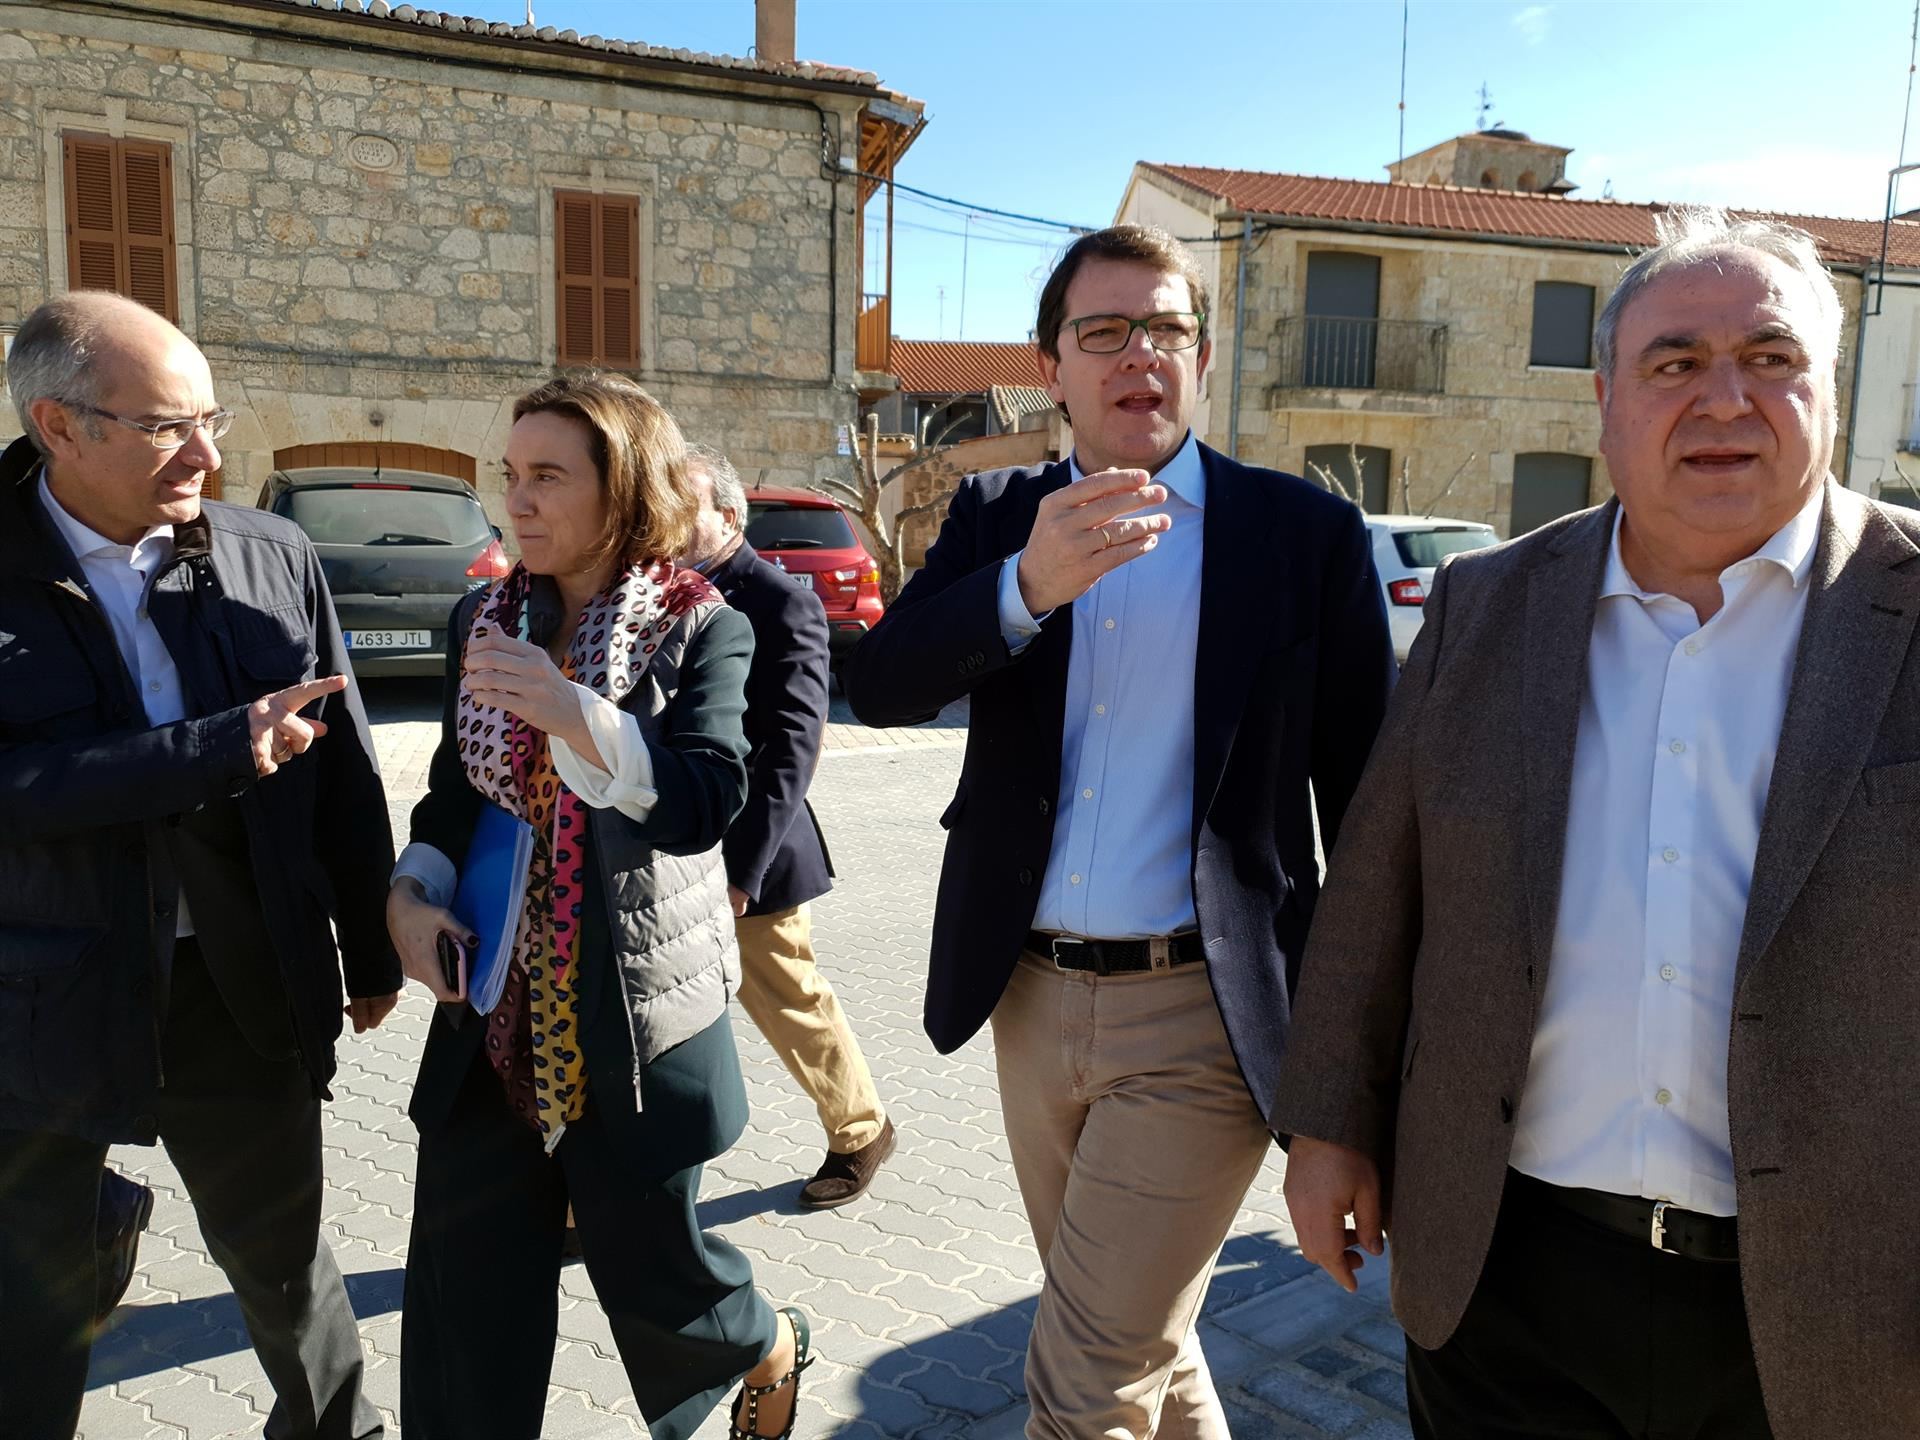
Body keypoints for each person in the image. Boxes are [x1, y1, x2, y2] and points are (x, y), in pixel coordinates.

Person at [1276, 206, 1920, 1440]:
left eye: (1772, 360)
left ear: (1827, 389)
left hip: (1833, 1304)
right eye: (1676, 362)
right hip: (1509, 1269)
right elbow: (1376, 886)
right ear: (1606, 395)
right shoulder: (1485, 605)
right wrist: (1330, 1124)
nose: (1725, 399)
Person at [842, 225, 1397, 1438]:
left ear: (1201, 357)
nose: (1137, 354)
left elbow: (1370, 821)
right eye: (1104, 332)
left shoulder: (1301, 538)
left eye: (1166, 329)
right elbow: (880, 687)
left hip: (1206, 1018)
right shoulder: (997, 514)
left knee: (1083, 1382)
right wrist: (1022, 590)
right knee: (1144, 1341)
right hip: (1028, 1003)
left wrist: (1360, 1083)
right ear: (1053, 366)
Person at [0, 291, 398, 1440]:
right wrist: (210, 751)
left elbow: (346, 773)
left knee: (283, 1265)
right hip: (46, 994)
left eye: (210, 417)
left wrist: (367, 944)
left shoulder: (270, 553)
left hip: (238, 986)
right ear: (59, 427)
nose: (209, 453)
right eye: (169, 426)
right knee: (35, 1297)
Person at [386, 373, 812, 1440]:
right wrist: (411, 891)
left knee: (662, 1280)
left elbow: (709, 797)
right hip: (490, 1013)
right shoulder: (480, 618)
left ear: (621, 491)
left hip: (627, 1020)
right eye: (510, 475)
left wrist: (576, 716)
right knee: (462, 1306)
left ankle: (764, 1343)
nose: (517, 502)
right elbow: (452, 792)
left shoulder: (700, 626)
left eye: (548, 477)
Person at [679, 443, 896, 1209]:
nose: (668, 521)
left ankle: (861, 1126)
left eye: (686, 507)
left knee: (787, 998)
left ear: (729, 515)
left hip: (750, 851)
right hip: (669, 838)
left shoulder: (779, 601)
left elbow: (794, 747)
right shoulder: (665, 590)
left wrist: (744, 871)